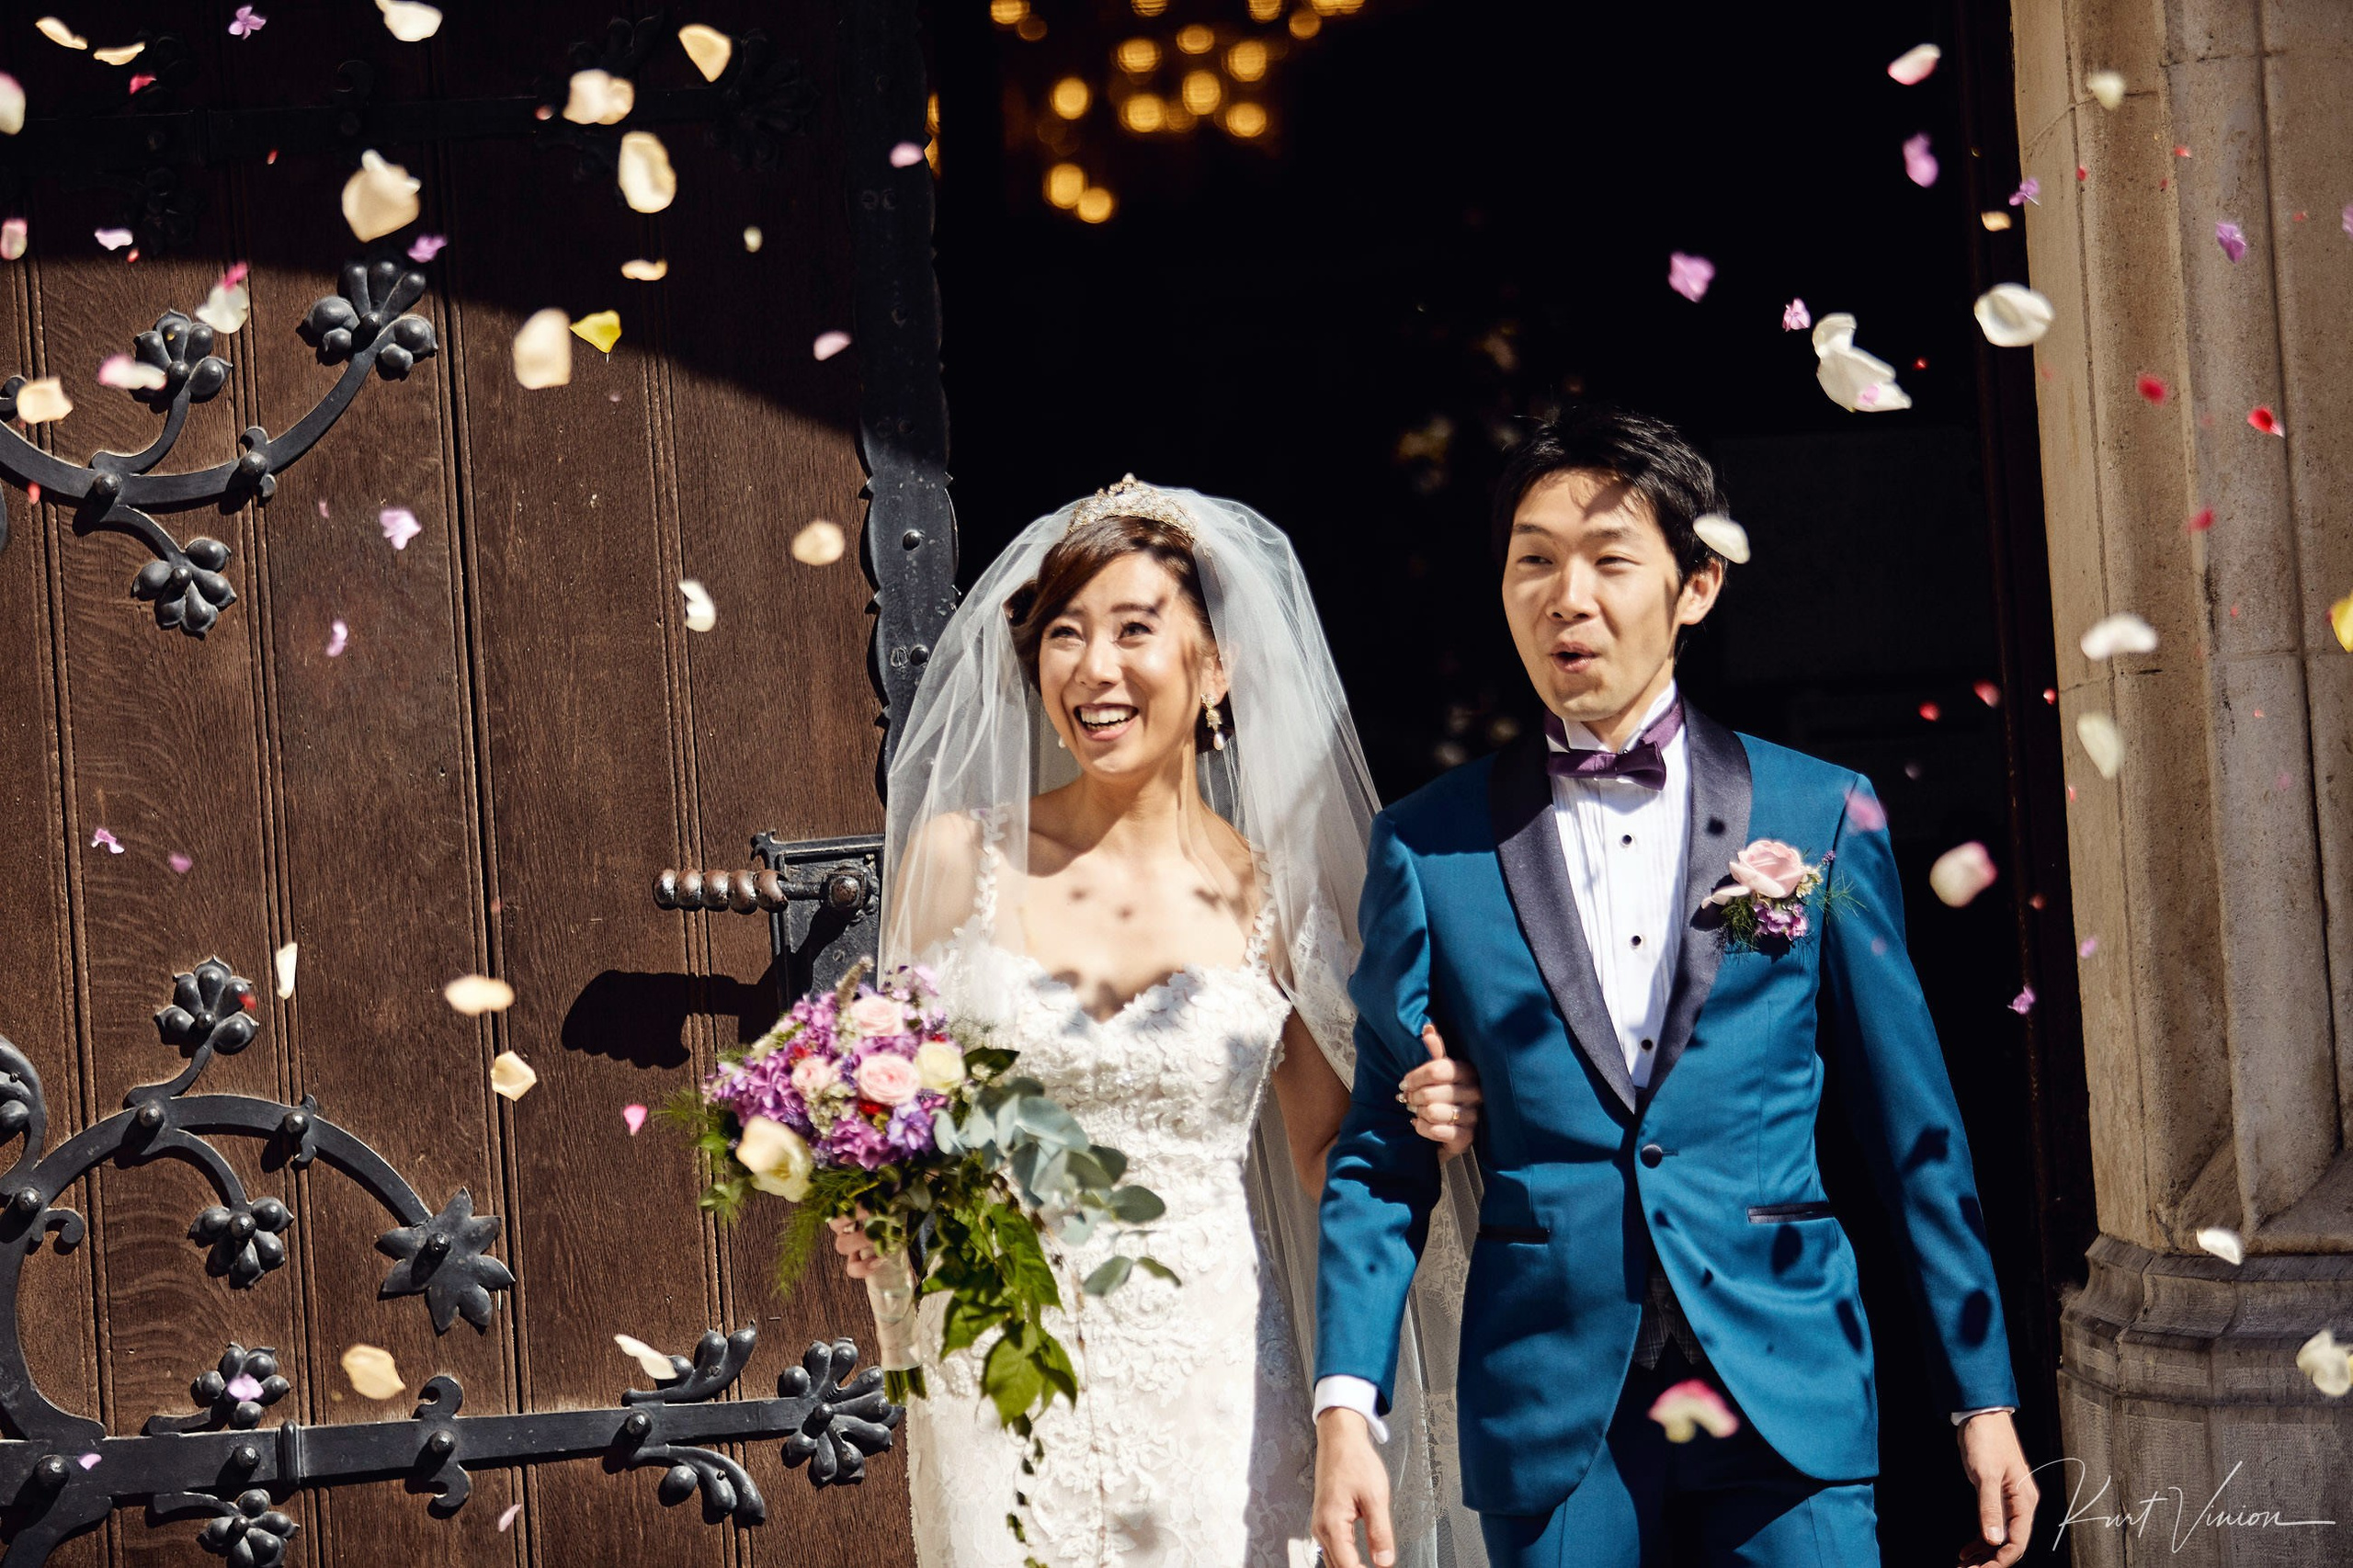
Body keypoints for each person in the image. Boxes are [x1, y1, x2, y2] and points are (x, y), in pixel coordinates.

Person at [1309, 406, 2040, 1568]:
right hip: (1555, 1413)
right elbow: (1377, 1156)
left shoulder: (1819, 812)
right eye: (1533, 560)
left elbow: (1914, 1128)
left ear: (1696, 585)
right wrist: (1345, 1404)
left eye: (1608, 559)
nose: (1566, 596)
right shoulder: (1427, 846)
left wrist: (1981, 1395)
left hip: (1787, 1384)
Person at [842, 478, 1492, 1568]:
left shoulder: (1275, 896)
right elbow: (892, 1109)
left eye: (1134, 630)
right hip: (999, 1366)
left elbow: (1332, 1152)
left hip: (1217, 1376)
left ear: (1217, 665)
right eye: (1064, 634)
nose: (1094, 670)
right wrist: (866, 1190)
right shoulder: (960, 855)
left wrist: (1430, 1113)